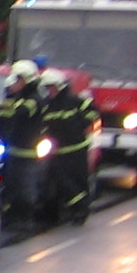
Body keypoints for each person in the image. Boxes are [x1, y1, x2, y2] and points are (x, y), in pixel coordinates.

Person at [38, 67, 98, 224]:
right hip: (57, 152)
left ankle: (81, 211)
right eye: (47, 87)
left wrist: (79, 125)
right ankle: (72, 210)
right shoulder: (46, 105)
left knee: (78, 181)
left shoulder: (75, 101)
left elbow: (92, 113)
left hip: (77, 149)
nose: (49, 90)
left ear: (60, 86)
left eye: (51, 87)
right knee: (62, 182)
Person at [0, 60, 46, 222]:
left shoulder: (34, 100)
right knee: (10, 186)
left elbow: (20, 114)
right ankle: (12, 215)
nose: (14, 83)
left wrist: (6, 106)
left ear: (26, 80)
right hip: (12, 152)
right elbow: (1, 122)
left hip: (29, 154)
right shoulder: (14, 99)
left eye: (17, 79)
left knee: (26, 187)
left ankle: (26, 219)